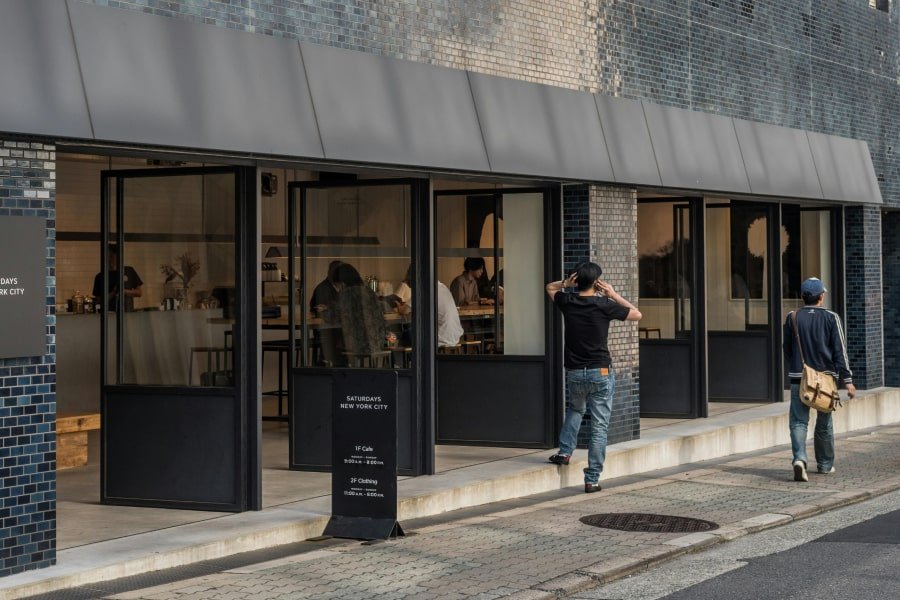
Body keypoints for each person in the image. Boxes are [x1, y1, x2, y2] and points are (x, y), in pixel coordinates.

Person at [545, 262, 641, 493]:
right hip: (601, 372)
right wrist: (613, 294)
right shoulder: (604, 305)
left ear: (576, 280)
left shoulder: (568, 301)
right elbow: (637, 314)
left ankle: (565, 452)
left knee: (575, 409)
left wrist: (566, 284)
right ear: (597, 283)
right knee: (599, 426)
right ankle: (592, 479)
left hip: (576, 372)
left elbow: (550, 287)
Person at [783, 277, 855, 482]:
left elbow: (786, 348)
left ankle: (799, 459)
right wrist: (847, 380)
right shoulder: (832, 318)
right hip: (825, 379)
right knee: (824, 422)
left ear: (803, 296)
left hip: (799, 377)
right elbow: (840, 351)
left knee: (798, 421)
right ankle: (824, 465)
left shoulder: (792, 317)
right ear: (821, 296)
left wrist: (797, 365)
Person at [334, 264, 386, 364]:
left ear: (342, 283)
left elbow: (332, 316)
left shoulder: (346, 294)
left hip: (357, 344)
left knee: (331, 343)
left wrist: (324, 310)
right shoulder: (369, 291)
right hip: (376, 342)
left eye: (337, 285)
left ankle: (340, 370)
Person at [92, 244, 143, 311]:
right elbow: (98, 300)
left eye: (112, 256)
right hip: (108, 313)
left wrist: (124, 291)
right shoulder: (100, 276)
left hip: (127, 312)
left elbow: (139, 293)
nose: (110, 259)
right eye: (108, 256)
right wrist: (113, 293)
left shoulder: (129, 271)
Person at [437, 280, 464, 348]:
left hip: (441, 338)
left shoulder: (428, 290)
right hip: (455, 335)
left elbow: (408, 310)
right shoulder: (444, 287)